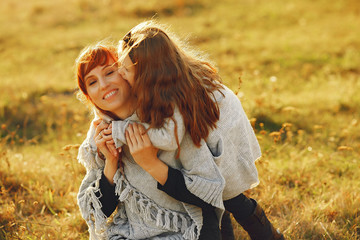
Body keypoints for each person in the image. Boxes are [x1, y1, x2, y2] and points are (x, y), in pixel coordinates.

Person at [115, 20, 285, 240]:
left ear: (148, 73)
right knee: (217, 195)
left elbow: (169, 139)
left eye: (126, 69)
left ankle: (269, 236)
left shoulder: (172, 95)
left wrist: (124, 130)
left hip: (224, 138)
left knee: (227, 196)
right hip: (214, 134)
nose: (120, 73)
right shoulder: (172, 78)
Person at [75, 43, 225, 240]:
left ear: (126, 72)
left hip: (189, 229)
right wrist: (110, 164)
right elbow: (97, 214)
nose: (103, 85)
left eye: (109, 72)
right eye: (92, 82)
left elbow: (207, 195)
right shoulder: (101, 134)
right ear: (89, 96)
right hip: (131, 232)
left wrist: (150, 163)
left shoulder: (165, 118)